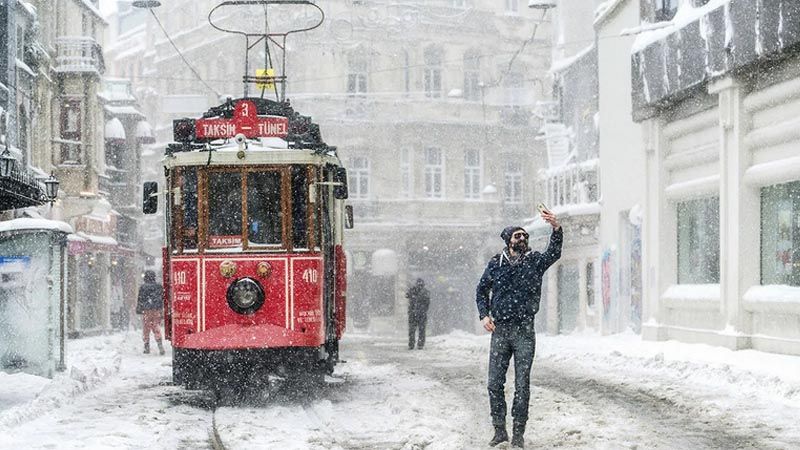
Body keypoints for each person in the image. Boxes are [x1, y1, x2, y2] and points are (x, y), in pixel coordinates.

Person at [476, 209, 562, 448]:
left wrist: (556, 229)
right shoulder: (496, 263)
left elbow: (554, 252)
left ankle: (518, 433)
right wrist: (484, 315)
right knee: (494, 383)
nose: (522, 239)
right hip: (500, 331)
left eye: (525, 236)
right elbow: (481, 290)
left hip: (525, 330)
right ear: (508, 241)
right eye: (517, 236)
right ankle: (499, 430)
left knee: (522, 384)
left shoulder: (534, 262)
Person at [136, 270, 165, 355]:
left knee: (146, 328)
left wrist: (139, 309)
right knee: (156, 327)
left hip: (146, 310)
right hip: (156, 310)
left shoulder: (143, 287)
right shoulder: (159, 287)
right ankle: (160, 345)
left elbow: (140, 299)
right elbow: (162, 298)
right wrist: (161, 309)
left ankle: (146, 346)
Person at [406, 278, 430, 350]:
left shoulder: (413, 290)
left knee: (412, 330)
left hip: (413, 314)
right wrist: (423, 310)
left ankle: (412, 344)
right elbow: (427, 304)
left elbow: (407, 295)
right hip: (421, 314)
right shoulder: (425, 292)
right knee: (421, 330)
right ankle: (419, 344)